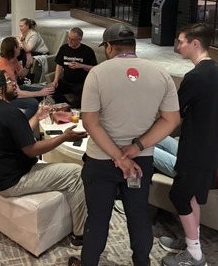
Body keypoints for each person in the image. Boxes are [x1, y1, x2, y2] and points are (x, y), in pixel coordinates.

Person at [69, 23, 180, 266]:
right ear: (133, 46)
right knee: (139, 216)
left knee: (97, 218)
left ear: (108, 47)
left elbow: (90, 122)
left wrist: (118, 157)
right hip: (141, 162)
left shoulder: (97, 74)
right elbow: (171, 120)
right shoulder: (160, 73)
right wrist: (136, 147)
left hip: (101, 161)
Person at [0, 70, 88, 249]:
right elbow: (31, 150)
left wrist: (37, 116)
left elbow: (20, 136)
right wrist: (64, 137)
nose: (14, 83)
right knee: (76, 173)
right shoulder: (11, 113)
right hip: (12, 180)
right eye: (8, 81)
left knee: (64, 170)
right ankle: (81, 234)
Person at [159, 23, 218, 266]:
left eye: (181, 41)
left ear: (195, 44)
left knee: (180, 195)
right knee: (192, 198)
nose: (178, 46)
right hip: (208, 145)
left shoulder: (196, 76)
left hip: (197, 148)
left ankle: (195, 256)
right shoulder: (216, 70)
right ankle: (191, 239)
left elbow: (173, 111)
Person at [153, 113, 218, 188]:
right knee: (157, 137)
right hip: (199, 162)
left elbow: (213, 158)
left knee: (149, 150)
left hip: (203, 174)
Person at [0, 36, 54, 120]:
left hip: (13, 89)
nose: (20, 47)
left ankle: (34, 120)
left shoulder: (13, 59)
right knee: (33, 103)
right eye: (18, 45)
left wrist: (28, 65)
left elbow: (21, 75)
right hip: (4, 97)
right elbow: (17, 93)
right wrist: (40, 93)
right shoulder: (5, 68)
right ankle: (22, 124)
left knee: (41, 91)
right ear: (14, 49)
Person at [52, 27, 98, 108]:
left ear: (79, 40)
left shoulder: (87, 51)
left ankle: (74, 109)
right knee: (52, 91)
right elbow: (59, 65)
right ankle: (65, 107)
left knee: (84, 97)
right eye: (69, 38)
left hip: (80, 83)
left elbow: (94, 68)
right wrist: (55, 79)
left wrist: (81, 66)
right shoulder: (64, 48)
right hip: (66, 81)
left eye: (73, 39)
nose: (69, 41)